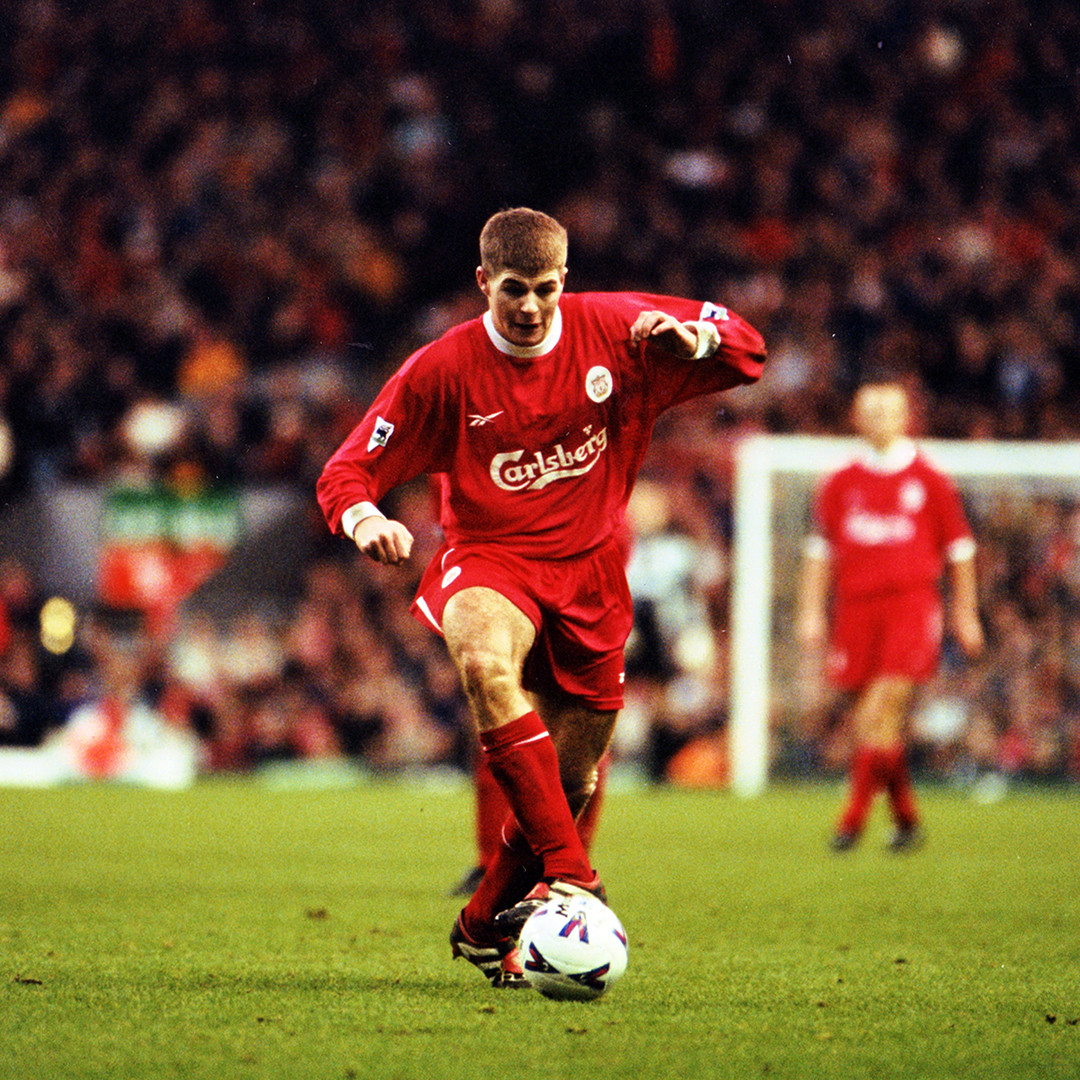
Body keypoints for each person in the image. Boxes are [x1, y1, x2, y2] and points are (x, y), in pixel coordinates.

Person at [317, 207, 766, 988]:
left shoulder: (617, 329)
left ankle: (486, 917)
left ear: (566, 282)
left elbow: (748, 347)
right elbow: (348, 469)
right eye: (513, 291)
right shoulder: (442, 369)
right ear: (484, 282)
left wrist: (699, 341)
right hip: (491, 559)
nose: (529, 307)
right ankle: (576, 881)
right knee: (488, 670)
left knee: (573, 778)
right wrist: (365, 519)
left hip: (591, 571)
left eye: (545, 291)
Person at [795, 378, 984, 852]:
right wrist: (810, 611)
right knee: (874, 722)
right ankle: (905, 819)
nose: (879, 418)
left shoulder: (931, 480)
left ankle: (851, 822)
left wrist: (965, 613)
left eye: (888, 410)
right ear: (856, 418)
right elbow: (820, 552)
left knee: (881, 710)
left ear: (906, 418)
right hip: (856, 609)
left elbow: (960, 550)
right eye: (870, 410)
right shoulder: (839, 482)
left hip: (911, 605)